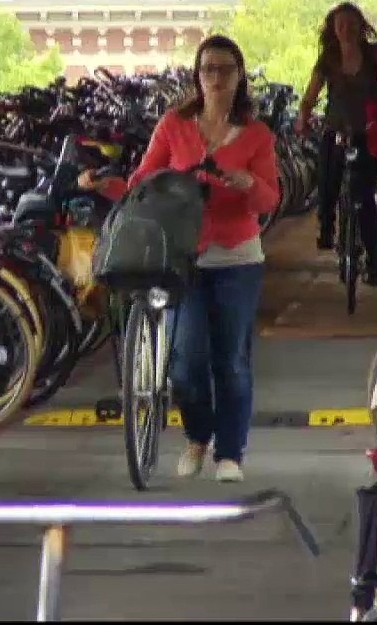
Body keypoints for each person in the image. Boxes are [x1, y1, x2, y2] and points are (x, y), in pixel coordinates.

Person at [77, 34, 280, 483]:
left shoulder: (256, 135)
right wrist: (104, 184)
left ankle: (231, 452)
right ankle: (196, 437)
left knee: (232, 360)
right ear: (197, 74)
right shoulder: (175, 125)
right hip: (182, 259)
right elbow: (143, 182)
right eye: (208, 69)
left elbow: (268, 200)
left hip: (238, 258)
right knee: (186, 361)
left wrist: (246, 182)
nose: (217, 78)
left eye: (226, 69)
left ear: (239, 75)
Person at [294, 2, 377, 287]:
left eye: (351, 23)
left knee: (364, 196)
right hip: (336, 127)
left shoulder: (376, 53)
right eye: (340, 24)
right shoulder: (328, 58)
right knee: (327, 181)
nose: (346, 29)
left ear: (361, 26)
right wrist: (303, 117)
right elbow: (310, 95)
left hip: (368, 131)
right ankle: (327, 226)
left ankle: (375, 260)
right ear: (333, 29)